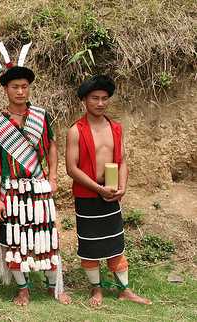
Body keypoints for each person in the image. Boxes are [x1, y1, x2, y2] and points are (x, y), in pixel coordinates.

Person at [0, 41, 71, 306]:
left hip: (39, 186)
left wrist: (53, 177)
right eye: (15, 87)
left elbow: (52, 147)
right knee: (15, 240)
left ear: (29, 88)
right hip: (11, 190)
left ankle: (55, 286)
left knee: (47, 236)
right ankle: (23, 289)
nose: (20, 91)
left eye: (24, 86)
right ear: (5, 90)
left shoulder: (41, 116)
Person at [65, 75, 152, 306]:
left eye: (104, 98)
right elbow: (71, 169)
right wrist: (97, 188)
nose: (100, 103)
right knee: (90, 245)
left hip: (111, 193)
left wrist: (122, 186)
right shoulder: (76, 130)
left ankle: (124, 289)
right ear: (85, 100)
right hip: (87, 195)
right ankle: (96, 290)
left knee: (115, 242)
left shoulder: (116, 128)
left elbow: (122, 160)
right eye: (95, 98)